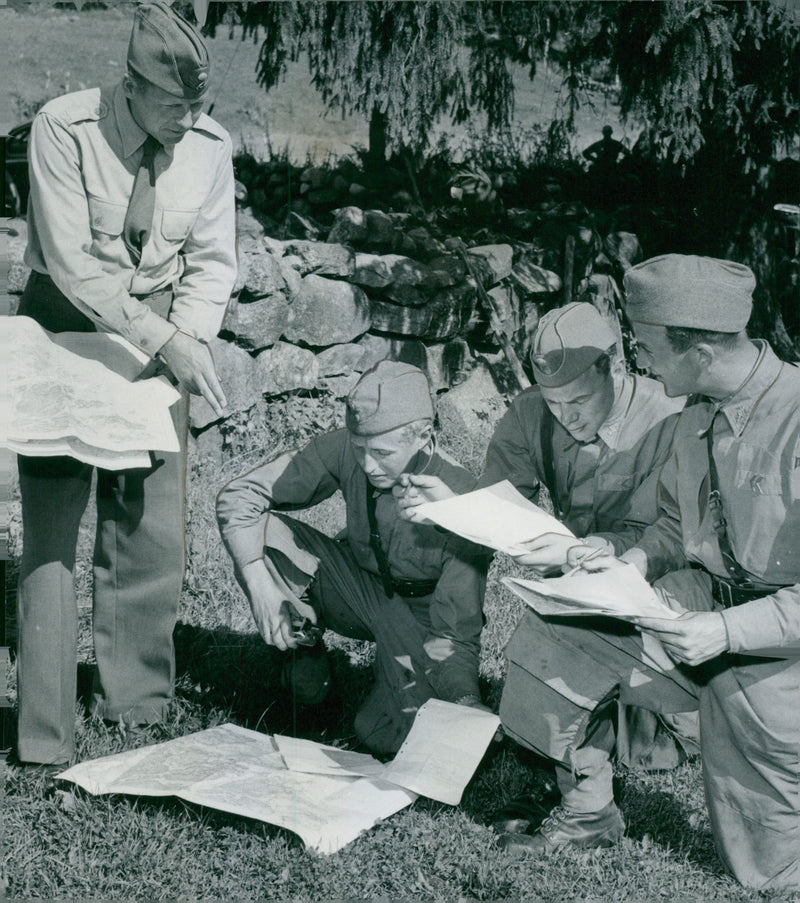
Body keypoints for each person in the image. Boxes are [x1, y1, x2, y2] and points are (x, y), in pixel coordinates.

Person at [494, 255, 800, 892]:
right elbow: (671, 527)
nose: (641, 363)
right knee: (562, 625)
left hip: (780, 656)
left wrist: (724, 630)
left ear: (697, 348)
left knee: (766, 877)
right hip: (703, 612)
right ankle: (588, 814)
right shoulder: (695, 413)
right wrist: (621, 561)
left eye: (648, 346)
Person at [15, 1, 236, 767]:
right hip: (65, 329)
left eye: (198, 104)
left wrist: (191, 339)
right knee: (50, 533)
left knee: (149, 526)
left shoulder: (210, 147)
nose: (188, 119)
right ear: (132, 86)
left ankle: (137, 706)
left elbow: (211, 261)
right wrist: (163, 337)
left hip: (162, 337)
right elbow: (74, 266)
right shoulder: (63, 128)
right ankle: (44, 733)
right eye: (174, 105)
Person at [397, 303, 693, 823]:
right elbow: (497, 502)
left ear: (614, 366)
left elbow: (669, 539)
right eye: (554, 403)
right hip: (577, 587)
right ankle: (565, 766)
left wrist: (585, 554)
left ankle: (611, 748)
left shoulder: (672, 418)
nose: (565, 416)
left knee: (658, 744)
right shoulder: (532, 411)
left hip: (658, 596)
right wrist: (455, 503)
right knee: (543, 660)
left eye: (578, 400)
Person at [216, 360, 489, 756]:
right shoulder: (348, 447)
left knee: (388, 737)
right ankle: (303, 653)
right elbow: (238, 498)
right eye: (360, 449)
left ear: (423, 436)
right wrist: (258, 582)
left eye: (382, 452)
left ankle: (409, 689)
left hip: (424, 618)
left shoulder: (462, 500)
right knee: (263, 534)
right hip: (356, 588)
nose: (368, 464)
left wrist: (465, 699)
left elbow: (457, 628)